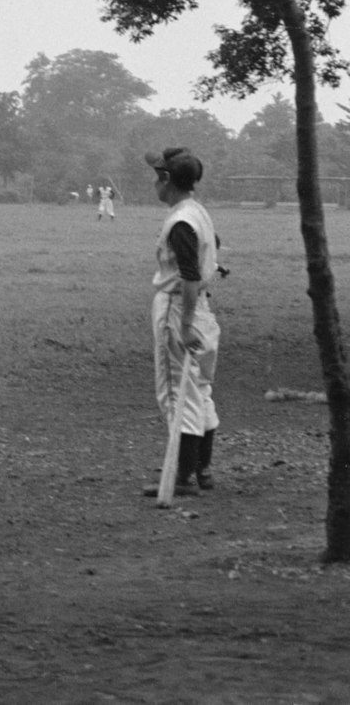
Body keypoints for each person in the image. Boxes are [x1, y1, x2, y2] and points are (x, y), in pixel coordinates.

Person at [142, 148, 222, 497]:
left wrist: (185, 325)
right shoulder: (197, 212)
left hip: (180, 309)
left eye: (156, 176)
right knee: (200, 389)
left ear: (166, 180)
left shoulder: (180, 221)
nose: (153, 183)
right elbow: (211, 251)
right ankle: (201, 469)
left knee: (177, 393)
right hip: (202, 309)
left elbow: (188, 276)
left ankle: (182, 476)